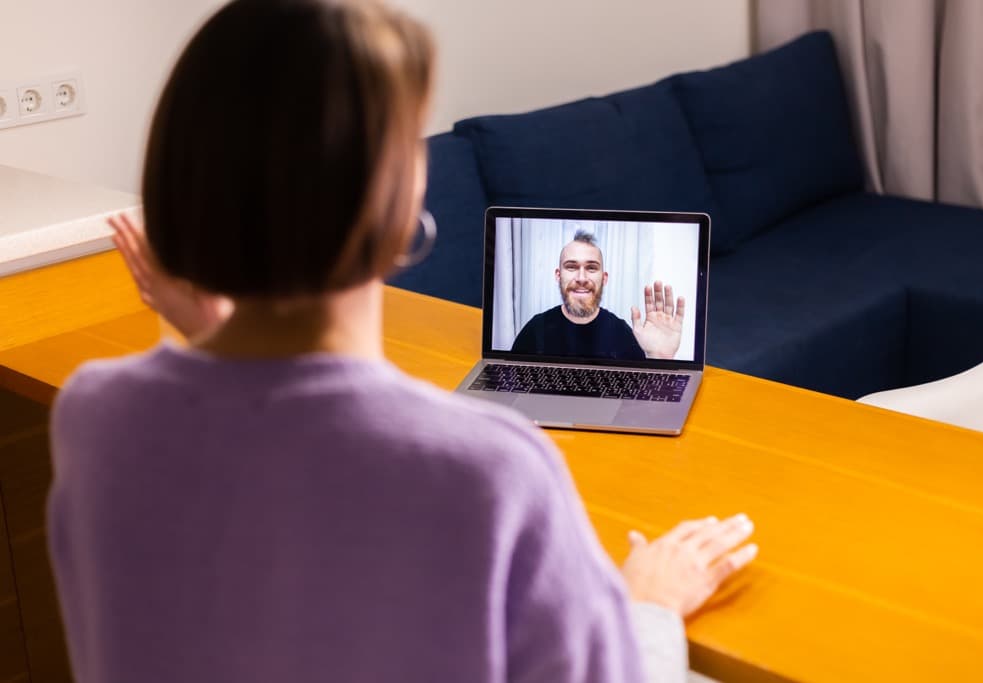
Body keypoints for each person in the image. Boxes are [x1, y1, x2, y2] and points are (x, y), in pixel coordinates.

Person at [46, 1, 757, 682]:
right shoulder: (491, 471)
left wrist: (218, 334)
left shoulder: (93, 415)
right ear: (392, 206)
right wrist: (648, 604)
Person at [511, 231, 686, 360]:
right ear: (558, 275)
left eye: (591, 268)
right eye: (571, 267)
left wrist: (661, 358)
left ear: (604, 278)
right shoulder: (535, 330)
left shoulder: (623, 334)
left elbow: (643, 397)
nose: (581, 278)